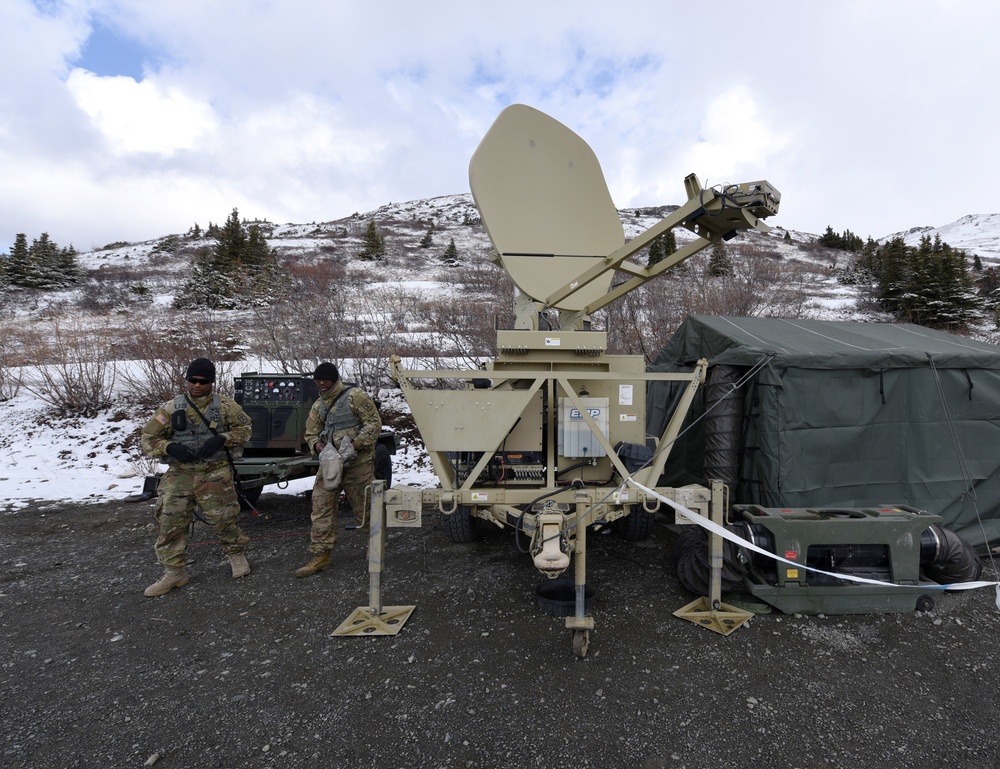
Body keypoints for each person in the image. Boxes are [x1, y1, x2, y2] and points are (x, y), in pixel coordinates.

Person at [140, 357, 254, 597]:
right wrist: (170, 447)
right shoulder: (171, 408)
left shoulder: (225, 406)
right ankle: (174, 572)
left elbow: (245, 429)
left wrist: (222, 438)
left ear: (211, 382)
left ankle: (236, 555)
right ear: (187, 380)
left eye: (203, 381)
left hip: (214, 471)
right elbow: (148, 438)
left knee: (224, 517)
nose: (197, 385)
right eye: (193, 380)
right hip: (180, 472)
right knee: (170, 520)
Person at [296, 362, 382, 578]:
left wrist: (355, 445)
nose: (321, 383)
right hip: (331, 465)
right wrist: (318, 446)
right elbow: (310, 432)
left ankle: (375, 546)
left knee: (365, 507)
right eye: (318, 380)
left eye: (325, 379)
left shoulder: (355, 397)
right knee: (321, 506)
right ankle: (321, 553)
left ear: (334, 379)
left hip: (357, 464)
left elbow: (374, 423)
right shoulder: (318, 406)